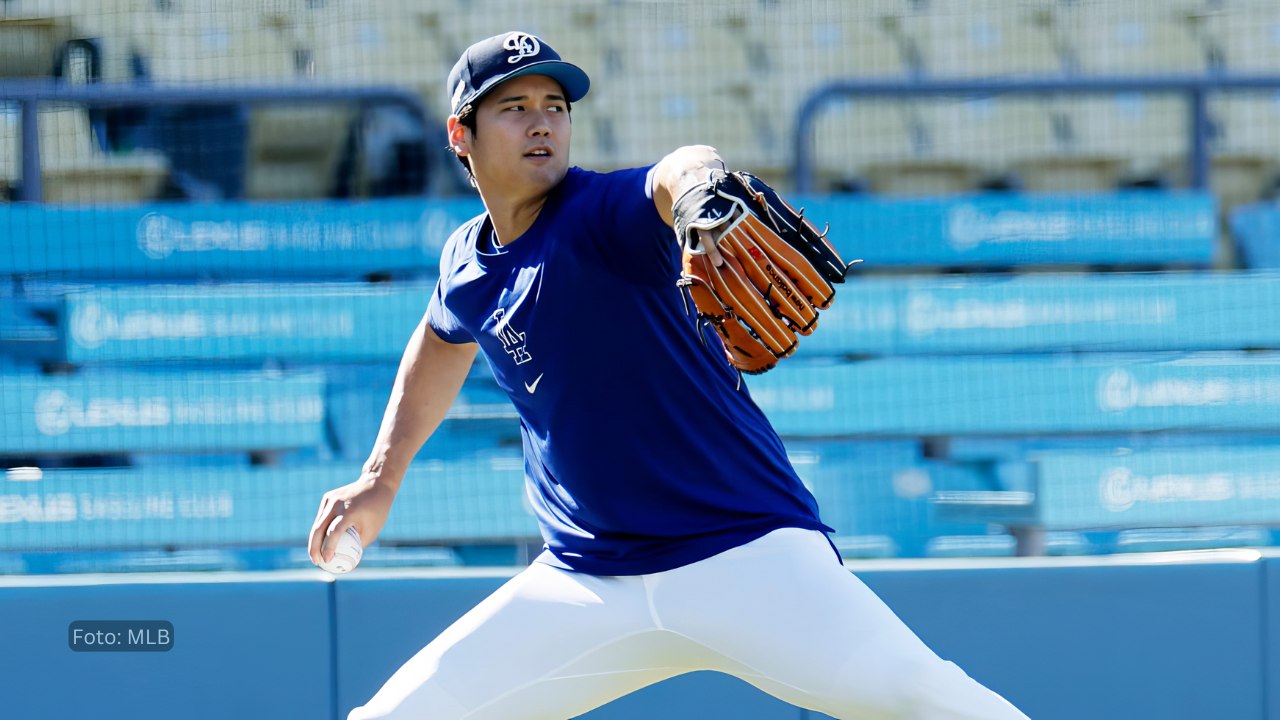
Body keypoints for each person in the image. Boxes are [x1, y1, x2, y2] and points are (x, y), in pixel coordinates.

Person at [309, 30, 1031, 720]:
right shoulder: (467, 261)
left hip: (746, 556)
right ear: (460, 135)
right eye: (514, 107)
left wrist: (698, 190)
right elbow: (440, 340)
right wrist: (381, 476)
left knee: (924, 698)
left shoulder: (600, 215)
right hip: (587, 583)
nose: (543, 125)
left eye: (556, 107)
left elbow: (676, 167)